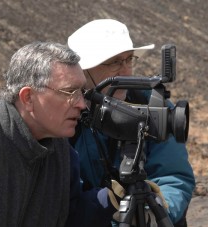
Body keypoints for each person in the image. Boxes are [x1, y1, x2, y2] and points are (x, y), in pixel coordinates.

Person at [0, 41, 124, 226]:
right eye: (69, 92)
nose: (81, 104)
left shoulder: (61, 152)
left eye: (81, 92)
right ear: (28, 97)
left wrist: (110, 198)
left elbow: (69, 217)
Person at [68, 19, 196, 226]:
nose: (125, 71)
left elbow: (173, 175)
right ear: (83, 71)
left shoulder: (152, 105)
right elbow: (62, 194)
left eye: (129, 59)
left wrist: (158, 213)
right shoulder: (64, 114)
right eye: (114, 62)